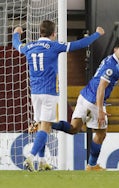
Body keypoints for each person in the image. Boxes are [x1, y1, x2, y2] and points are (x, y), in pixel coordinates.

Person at [12, 20, 105, 172]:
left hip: (34, 93)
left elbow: (16, 44)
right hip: (49, 92)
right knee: (45, 126)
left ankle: (42, 162)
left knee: (42, 125)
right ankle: (31, 156)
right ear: (53, 34)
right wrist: (97, 34)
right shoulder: (54, 46)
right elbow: (79, 44)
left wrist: (16, 33)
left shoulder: (28, 46)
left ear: (40, 32)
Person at [51, 38, 119, 171]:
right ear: (115, 50)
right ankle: (92, 165)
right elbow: (101, 88)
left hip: (84, 96)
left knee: (73, 128)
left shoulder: (110, 60)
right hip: (94, 101)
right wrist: (100, 110)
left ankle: (47, 124)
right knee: (101, 134)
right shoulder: (112, 67)